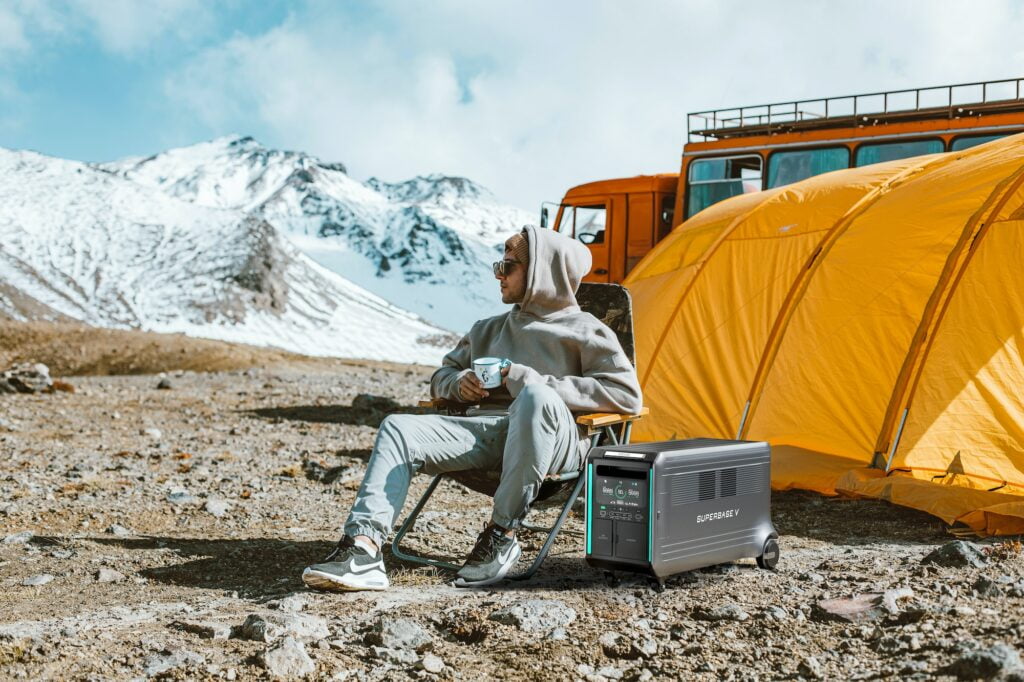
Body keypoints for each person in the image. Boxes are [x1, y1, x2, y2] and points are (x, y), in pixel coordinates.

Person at [302, 225, 643, 590]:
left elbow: (626, 395)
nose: (498, 274)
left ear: (542, 271)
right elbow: (441, 376)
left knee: (535, 397)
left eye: (508, 266)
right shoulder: (488, 329)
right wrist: (458, 385)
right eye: (498, 264)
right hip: (486, 438)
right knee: (398, 426)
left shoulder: (587, 330)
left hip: (554, 447)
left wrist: (529, 379)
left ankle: (502, 533)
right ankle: (364, 549)